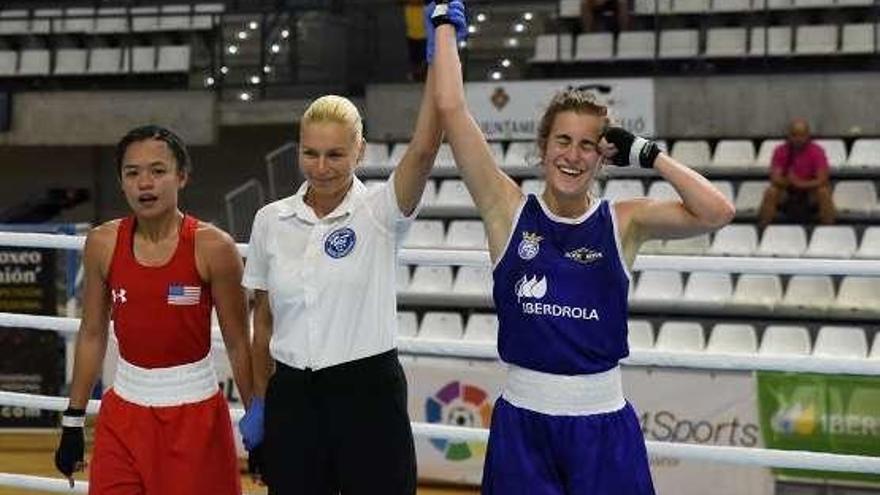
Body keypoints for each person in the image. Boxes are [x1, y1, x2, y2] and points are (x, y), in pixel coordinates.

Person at [429, 2, 736, 493]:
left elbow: (718, 211)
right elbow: (451, 110)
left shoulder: (624, 221)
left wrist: (649, 154)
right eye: (562, 141)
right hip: (522, 426)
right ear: (543, 146)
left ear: (603, 155)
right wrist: (443, 22)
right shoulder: (507, 210)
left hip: (603, 427)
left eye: (587, 145)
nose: (572, 156)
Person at [238, 39, 448, 492]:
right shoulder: (270, 220)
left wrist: (439, 53)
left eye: (335, 154)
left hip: (368, 395)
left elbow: (427, 145)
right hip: (292, 399)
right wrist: (260, 401)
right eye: (310, 152)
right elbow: (264, 321)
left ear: (360, 151)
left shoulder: (380, 212)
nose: (321, 166)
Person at [53, 125, 255, 494]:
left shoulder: (213, 247)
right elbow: (92, 333)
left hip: (195, 417)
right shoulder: (103, 243)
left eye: (158, 171)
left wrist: (258, 424)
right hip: (123, 414)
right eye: (133, 173)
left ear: (182, 176)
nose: (145, 183)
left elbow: (239, 342)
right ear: (122, 182)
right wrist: (73, 420)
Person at [758, 118, 835, 227]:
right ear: (789, 135)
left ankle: (829, 230)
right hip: (787, 191)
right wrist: (789, 183)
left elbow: (822, 179)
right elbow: (775, 178)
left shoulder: (817, 151)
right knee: (771, 192)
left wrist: (800, 184)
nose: (798, 139)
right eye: (794, 135)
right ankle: (762, 230)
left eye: (802, 135)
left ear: (808, 135)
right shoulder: (780, 150)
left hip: (810, 193)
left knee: (823, 192)